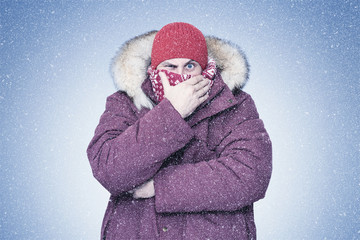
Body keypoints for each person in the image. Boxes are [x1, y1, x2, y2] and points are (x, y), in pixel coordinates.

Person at [87, 22, 272, 240]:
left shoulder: (233, 104)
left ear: (204, 67)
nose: (181, 74)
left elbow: (250, 176)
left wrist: (160, 186)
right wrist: (171, 112)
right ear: (154, 69)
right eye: (170, 66)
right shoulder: (126, 104)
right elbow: (110, 170)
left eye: (190, 66)